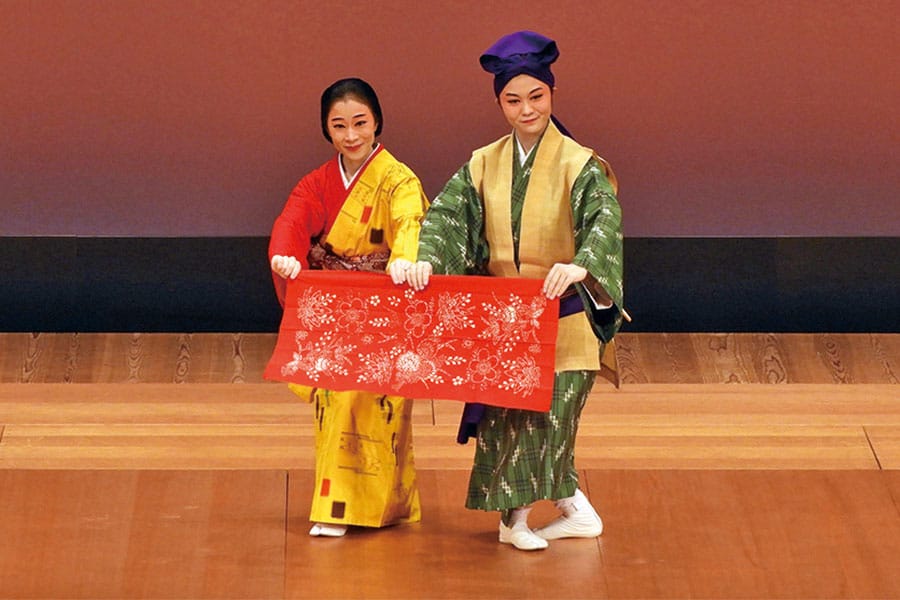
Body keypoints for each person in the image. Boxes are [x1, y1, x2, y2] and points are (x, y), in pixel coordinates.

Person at [406, 31, 625, 551]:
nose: (526, 109)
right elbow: (448, 217)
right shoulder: (483, 162)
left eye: (536, 96)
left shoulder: (579, 162)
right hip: (507, 317)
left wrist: (581, 265)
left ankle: (524, 519)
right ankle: (543, 516)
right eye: (513, 99)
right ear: (499, 102)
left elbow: (604, 221)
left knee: (554, 414)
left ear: (551, 94)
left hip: (564, 315)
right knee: (511, 420)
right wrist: (425, 259)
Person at [269, 77, 428, 537]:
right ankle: (334, 506)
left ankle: (383, 505)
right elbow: (293, 220)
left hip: (384, 303)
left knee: (380, 404)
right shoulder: (317, 182)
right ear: (327, 130)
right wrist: (285, 253)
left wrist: (404, 260)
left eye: (360, 122)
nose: (352, 135)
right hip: (337, 306)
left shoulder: (398, 179)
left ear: (377, 121)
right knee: (334, 398)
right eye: (339, 126)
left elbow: (409, 221)